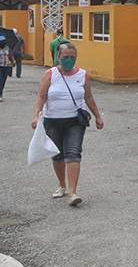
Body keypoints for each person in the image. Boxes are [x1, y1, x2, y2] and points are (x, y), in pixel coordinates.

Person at [31, 43, 104, 206]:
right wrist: (36, 115)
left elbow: (89, 97)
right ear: (59, 57)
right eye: (65, 58)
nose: (69, 61)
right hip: (52, 120)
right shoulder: (50, 74)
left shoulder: (82, 75)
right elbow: (41, 97)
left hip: (75, 121)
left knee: (73, 154)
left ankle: (73, 193)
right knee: (57, 155)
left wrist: (97, 116)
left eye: (72, 57)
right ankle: (61, 185)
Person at [0, 35, 13, 101]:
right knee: (1, 80)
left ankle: (1, 91)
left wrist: (13, 61)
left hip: (6, 66)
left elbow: (11, 55)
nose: (3, 42)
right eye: (2, 41)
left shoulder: (7, 47)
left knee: (3, 81)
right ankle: (0, 95)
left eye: (4, 41)